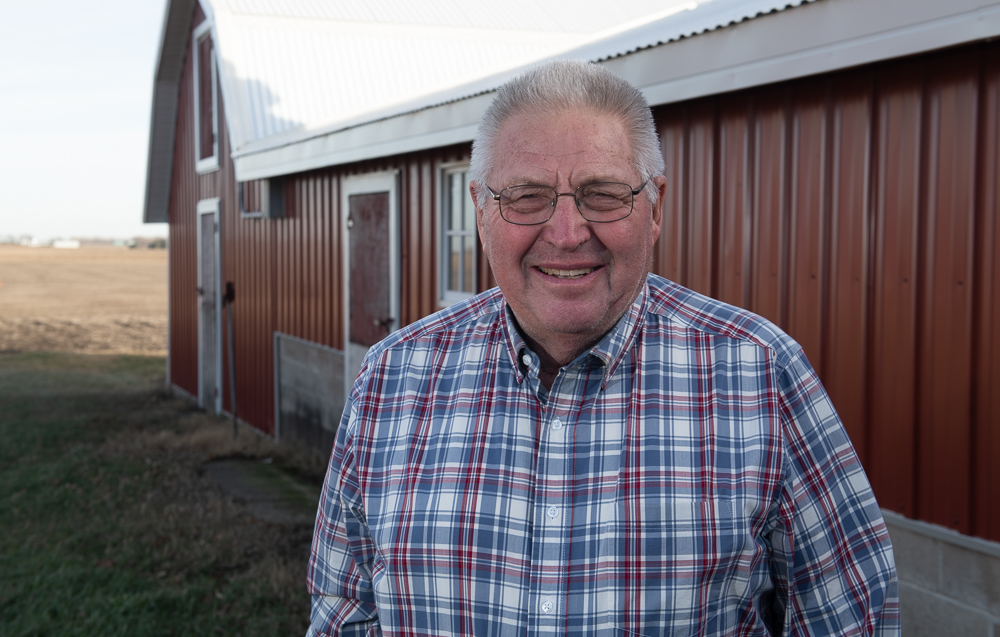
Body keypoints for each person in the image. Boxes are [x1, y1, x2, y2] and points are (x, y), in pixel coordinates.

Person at [306, 60, 899, 636]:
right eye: (527, 196)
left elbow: (852, 622)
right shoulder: (392, 379)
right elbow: (343, 614)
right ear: (481, 210)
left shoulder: (761, 377)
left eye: (604, 193)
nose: (566, 234)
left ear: (656, 207)